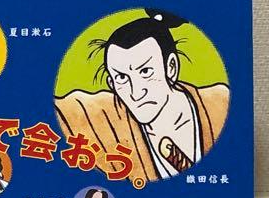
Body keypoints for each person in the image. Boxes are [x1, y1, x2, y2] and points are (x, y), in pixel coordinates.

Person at [56, 9, 229, 183]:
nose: (136, 92)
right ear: (112, 84)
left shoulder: (218, 104)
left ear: (171, 67)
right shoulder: (103, 116)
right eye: (121, 77)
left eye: (146, 72)